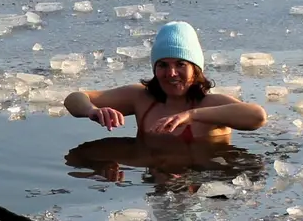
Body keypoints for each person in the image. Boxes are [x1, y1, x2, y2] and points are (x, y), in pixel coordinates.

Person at [62, 21, 267, 142]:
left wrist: (192, 115)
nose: (171, 73)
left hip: (199, 180)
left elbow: (257, 117)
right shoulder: (141, 97)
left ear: (195, 70)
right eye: (162, 65)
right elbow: (74, 99)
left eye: (180, 64)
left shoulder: (210, 104)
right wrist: (92, 111)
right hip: (157, 176)